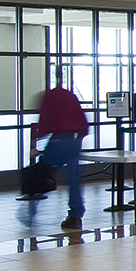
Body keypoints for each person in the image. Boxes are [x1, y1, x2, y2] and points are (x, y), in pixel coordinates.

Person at [31, 71, 90, 230]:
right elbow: (83, 124)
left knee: (41, 174)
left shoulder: (49, 97)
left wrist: (34, 146)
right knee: (74, 181)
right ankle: (76, 216)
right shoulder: (70, 96)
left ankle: (31, 211)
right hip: (71, 142)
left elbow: (44, 122)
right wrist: (78, 142)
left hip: (56, 142)